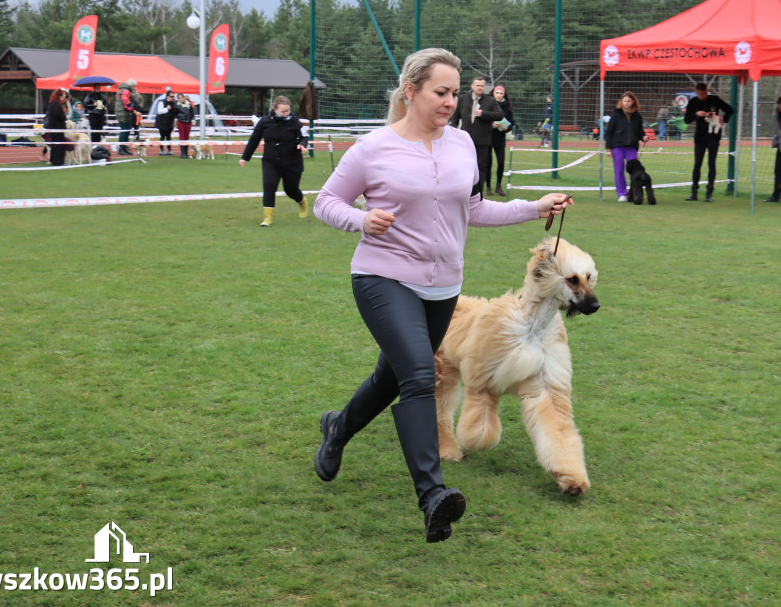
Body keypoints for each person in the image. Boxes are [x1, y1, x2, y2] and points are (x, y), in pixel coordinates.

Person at [312, 47, 573, 543]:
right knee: (418, 375)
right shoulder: (373, 148)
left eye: (455, 92)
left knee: (391, 378)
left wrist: (533, 205)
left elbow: (475, 210)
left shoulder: (461, 147)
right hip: (382, 278)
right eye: (441, 92)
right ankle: (432, 494)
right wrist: (361, 219)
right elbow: (326, 200)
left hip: (442, 289)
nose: (451, 101)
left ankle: (338, 429)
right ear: (411, 91)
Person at [239, 95, 309, 227]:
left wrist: (302, 144)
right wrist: (245, 157)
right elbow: (254, 139)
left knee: (291, 190)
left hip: (292, 162)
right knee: (269, 187)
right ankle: (267, 218)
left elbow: (304, 136)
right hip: (271, 162)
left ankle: (302, 202)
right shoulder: (265, 122)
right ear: (274, 109)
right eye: (283, 111)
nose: (286, 113)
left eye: (288, 110)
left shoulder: (295, 122)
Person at [449, 76, 503, 195]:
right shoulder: (462, 99)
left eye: (482, 86)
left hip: (482, 141)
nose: (480, 88)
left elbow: (499, 115)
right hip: (464, 141)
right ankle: (462, 191)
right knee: (463, 166)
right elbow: (455, 119)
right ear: (472, 86)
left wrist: (483, 113)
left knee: (480, 167)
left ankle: (478, 193)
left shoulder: (490, 101)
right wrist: (452, 133)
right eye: (477, 85)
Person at [683, 82, 733, 202]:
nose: (704, 96)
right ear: (696, 93)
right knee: (697, 163)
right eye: (701, 94)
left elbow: (730, 110)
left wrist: (723, 119)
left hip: (713, 136)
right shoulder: (693, 102)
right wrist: (696, 114)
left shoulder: (714, 99)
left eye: (705, 93)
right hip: (700, 136)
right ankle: (694, 192)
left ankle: (709, 193)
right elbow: (686, 120)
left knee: (712, 163)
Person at [605, 91, 649, 202]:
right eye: (624, 101)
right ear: (621, 102)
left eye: (628, 101)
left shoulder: (637, 116)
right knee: (619, 170)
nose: (626, 103)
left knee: (635, 171)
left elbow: (640, 131)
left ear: (633, 102)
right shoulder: (616, 114)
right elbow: (609, 132)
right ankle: (622, 193)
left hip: (632, 147)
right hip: (617, 146)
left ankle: (635, 192)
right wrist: (608, 148)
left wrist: (644, 137)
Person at [489, 84, 514, 196]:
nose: (498, 95)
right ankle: (488, 187)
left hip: (500, 139)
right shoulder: (488, 104)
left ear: (504, 95)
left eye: (501, 93)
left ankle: (498, 186)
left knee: (501, 162)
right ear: (493, 93)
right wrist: (491, 124)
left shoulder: (507, 107)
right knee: (487, 163)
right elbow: (482, 119)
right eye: (497, 93)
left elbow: (511, 123)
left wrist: (506, 128)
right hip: (488, 138)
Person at [44, 88, 69, 166]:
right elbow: (58, 115)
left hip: (55, 128)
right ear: (59, 96)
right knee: (59, 145)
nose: (64, 96)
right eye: (63, 95)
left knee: (55, 145)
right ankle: (58, 161)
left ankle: (54, 160)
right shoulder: (55, 104)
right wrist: (63, 117)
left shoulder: (53, 104)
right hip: (57, 128)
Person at [114, 79, 138, 155]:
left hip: (123, 113)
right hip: (123, 113)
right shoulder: (125, 91)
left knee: (126, 130)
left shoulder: (121, 91)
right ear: (132, 86)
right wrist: (135, 111)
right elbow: (126, 104)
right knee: (124, 131)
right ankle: (121, 148)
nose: (134, 88)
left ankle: (124, 147)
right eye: (134, 86)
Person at [152, 89, 177, 155]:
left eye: (173, 96)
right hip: (162, 122)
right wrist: (166, 109)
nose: (173, 98)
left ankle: (169, 150)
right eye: (171, 96)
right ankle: (161, 149)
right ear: (167, 96)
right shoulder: (161, 102)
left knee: (169, 137)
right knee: (162, 136)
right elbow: (159, 111)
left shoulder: (174, 104)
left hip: (169, 122)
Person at [174, 93, 194, 159]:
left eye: (181, 97)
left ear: (184, 97)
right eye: (179, 98)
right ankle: (183, 153)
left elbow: (192, 113)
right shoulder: (176, 105)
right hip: (181, 122)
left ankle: (186, 152)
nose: (180, 99)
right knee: (182, 137)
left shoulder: (189, 104)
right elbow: (174, 114)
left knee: (187, 137)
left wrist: (193, 120)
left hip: (188, 122)